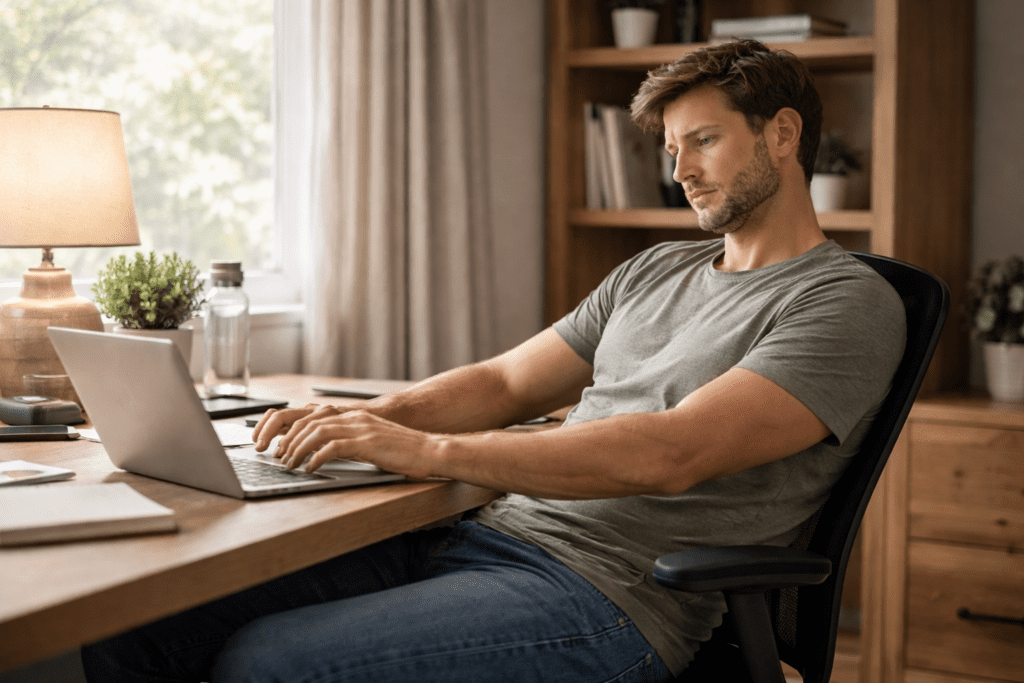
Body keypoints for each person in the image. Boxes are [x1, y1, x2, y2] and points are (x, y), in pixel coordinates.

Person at [81, 39, 905, 682]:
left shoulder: (845, 302)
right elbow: (508, 381)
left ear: (784, 134)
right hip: (482, 536)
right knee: (142, 625)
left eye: (704, 141)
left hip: (613, 597)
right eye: (670, 147)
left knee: (274, 663)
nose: (680, 170)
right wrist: (370, 420)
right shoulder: (655, 269)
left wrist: (428, 450)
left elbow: (674, 450)